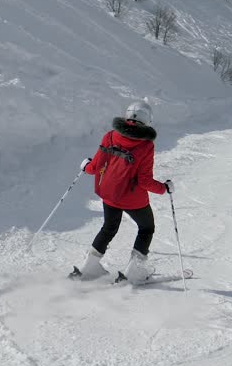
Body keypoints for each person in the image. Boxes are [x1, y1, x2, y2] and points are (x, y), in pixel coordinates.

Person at [70, 101, 173, 283]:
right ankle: (133, 271)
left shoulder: (110, 136)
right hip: (132, 199)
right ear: (147, 120)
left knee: (109, 227)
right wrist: (164, 188)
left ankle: (88, 267)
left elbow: (96, 165)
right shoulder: (146, 145)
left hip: (108, 192)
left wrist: (86, 166)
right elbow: (144, 181)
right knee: (146, 228)